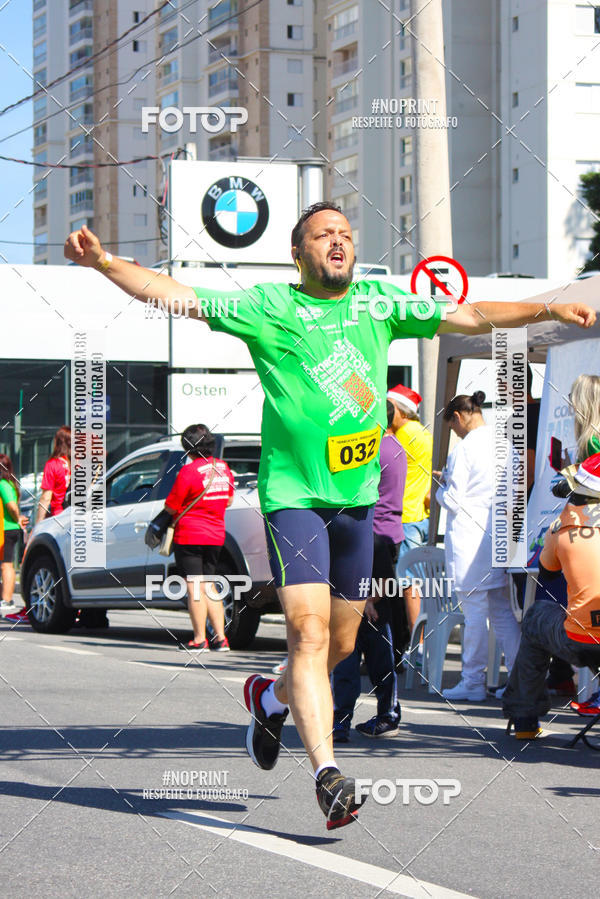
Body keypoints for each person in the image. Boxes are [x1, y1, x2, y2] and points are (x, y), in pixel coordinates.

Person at [64, 205, 595, 830]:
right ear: (299, 253)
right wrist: (103, 263)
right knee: (309, 635)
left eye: (346, 234)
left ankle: (269, 694)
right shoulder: (269, 307)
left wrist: (549, 309)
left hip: (357, 504)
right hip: (293, 497)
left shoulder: (377, 302)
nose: (338, 242)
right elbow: (178, 296)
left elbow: (469, 314)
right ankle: (327, 774)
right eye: (324, 235)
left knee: (340, 643)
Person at [503, 453, 600, 737]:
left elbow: (547, 575)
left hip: (579, 639)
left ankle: (525, 720)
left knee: (535, 617)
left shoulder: (562, 528)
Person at [436, 391, 522, 701]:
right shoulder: (507, 446)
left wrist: (441, 488)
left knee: (474, 615)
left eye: (452, 427)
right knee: (502, 612)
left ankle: (472, 681)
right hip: (497, 538)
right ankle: (517, 679)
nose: (454, 432)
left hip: (470, 541)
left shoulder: (464, 449)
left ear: (458, 418)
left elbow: (454, 500)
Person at [331, 400, 407, 741]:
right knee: (364, 636)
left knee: (365, 636)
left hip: (371, 544)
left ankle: (349, 717)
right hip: (380, 541)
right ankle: (357, 716)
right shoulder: (395, 446)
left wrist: (372, 592)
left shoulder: (371, 448)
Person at [543, 373, 600, 696]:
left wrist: (566, 478)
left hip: (586, 528)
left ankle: (559, 673)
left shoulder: (592, 440)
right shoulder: (590, 439)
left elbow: (581, 481)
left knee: (553, 594)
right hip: (589, 528)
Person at [163, 424, 234, 652]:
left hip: (190, 535)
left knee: (194, 587)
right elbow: (229, 500)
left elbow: (171, 506)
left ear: (188, 447)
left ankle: (199, 638)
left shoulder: (189, 471)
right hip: (216, 535)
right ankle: (221, 638)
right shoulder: (223, 468)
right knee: (210, 585)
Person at [386, 384, 432, 666]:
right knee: (420, 586)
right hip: (422, 516)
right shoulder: (423, 433)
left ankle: (417, 650)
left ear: (399, 411)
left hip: (408, 518)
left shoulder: (404, 435)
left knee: (410, 586)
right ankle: (421, 645)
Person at [0, 454, 29, 617]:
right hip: (7, 528)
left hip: (6, 529)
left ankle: (7, 599)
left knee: (6, 564)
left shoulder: (3, 484)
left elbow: (11, 506)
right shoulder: (10, 483)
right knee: (4, 564)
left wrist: (17, 518)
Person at [36, 426, 71, 522]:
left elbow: (46, 498)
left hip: (59, 517)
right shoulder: (79, 464)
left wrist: (38, 523)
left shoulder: (53, 464)